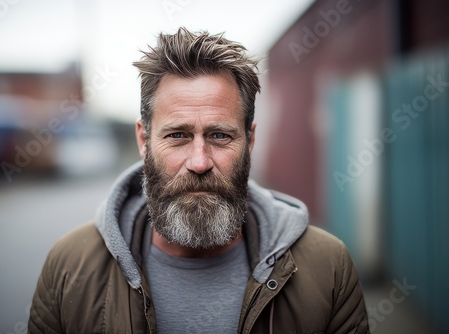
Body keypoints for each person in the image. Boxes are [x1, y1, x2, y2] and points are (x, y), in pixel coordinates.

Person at [28, 27, 369, 333]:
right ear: (144, 141)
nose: (199, 162)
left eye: (220, 136)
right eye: (177, 135)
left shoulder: (328, 269)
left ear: (249, 142)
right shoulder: (69, 267)